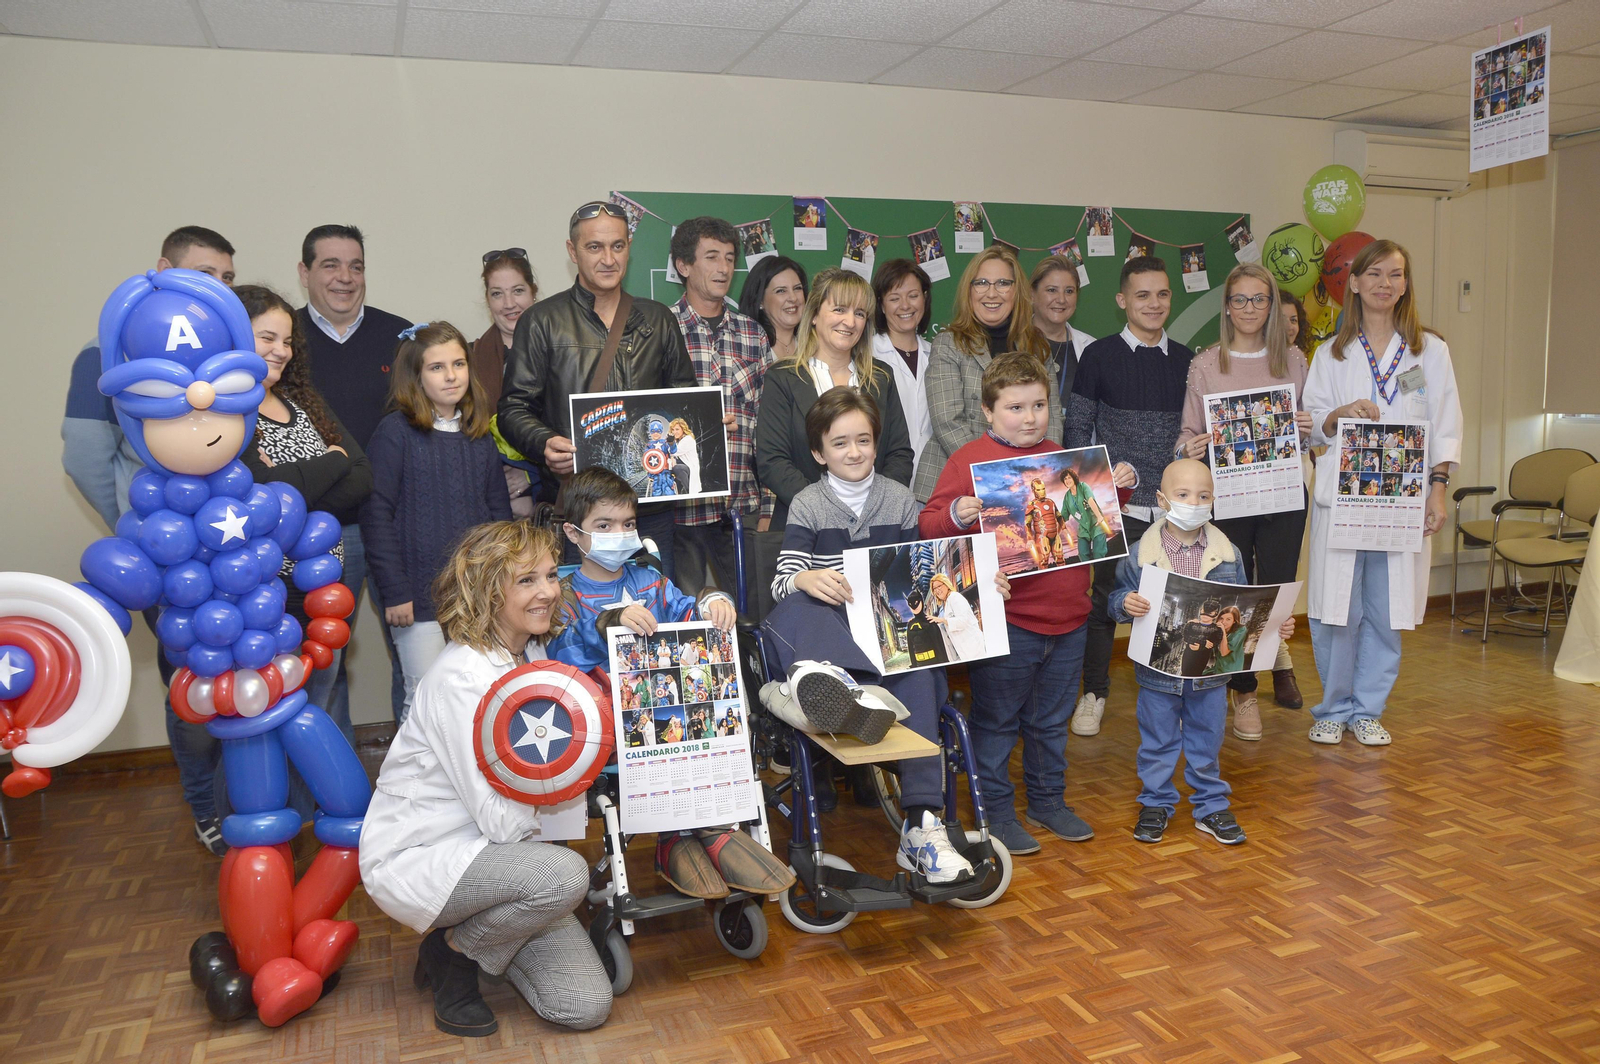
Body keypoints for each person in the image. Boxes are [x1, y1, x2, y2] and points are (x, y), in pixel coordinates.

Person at [358, 521, 612, 1037]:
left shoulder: (532, 657)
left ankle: (485, 933)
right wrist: (559, 780)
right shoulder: (463, 679)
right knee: (564, 877)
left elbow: (529, 805)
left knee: (584, 1006)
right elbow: (500, 822)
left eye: (548, 575)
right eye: (526, 581)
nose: (547, 591)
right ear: (486, 591)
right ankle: (453, 951)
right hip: (426, 856)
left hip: (509, 861)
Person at [765, 387, 1009, 884]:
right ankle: (831, 684)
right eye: (840, 444)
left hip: (882, 637)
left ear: (877, 444)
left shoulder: (899, 499)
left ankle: (921, 825)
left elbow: (922, 573)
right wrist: (805, 578)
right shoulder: (809, 504)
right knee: (793, 606)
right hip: (828, 630)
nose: (853, 452)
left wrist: (983, 584)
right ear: (818, 453)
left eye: (863, 440)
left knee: (922, 671)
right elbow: (781, 577)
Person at [60, 225, 236, 854]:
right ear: (163, 270)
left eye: (226, 278)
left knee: (238, 674)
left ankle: (243, 804)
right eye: (204, 274)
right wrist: (145, 530)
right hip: (171, 560)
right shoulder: (106, 356)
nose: (217, 290)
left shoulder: (221, 362)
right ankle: (206, 807)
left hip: (231, 549)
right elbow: (84, 458)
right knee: (190, 681)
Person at [546, 467, 793, 900]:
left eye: (628, 524)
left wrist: (712, 601)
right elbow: (558, 654)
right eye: (603, 526)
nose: (620, 534)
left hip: (671, 718)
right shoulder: (561, 595)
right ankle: (679, 838)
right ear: (573, 532)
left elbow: (686, 614)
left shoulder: (650, 582)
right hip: (606, 727)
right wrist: (608, 623)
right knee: (664, 733)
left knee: (706, 721)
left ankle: (711, 830)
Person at [921, 354, 1095, 855]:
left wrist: (1115, 492)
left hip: (1070, 618)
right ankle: (995, 812)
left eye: (1038, 405)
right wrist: (957, 511)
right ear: (987, 411)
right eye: (1015, 407)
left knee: (1050, 722)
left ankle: (1047, 801)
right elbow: (929, 525)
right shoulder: (967, 461)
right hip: (1007, 621)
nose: (1029, 417)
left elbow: (1084, 518)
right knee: (996, 724)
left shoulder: (1063, 457)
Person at [1302, 239, 1463, 747]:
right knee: (1336, 607)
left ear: (1405, 285)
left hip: (1403, 497)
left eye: (1395, 275)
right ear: (1352, 283)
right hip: (1344, 496)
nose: (1384, 284)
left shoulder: (1430, 351)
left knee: (1386, 606)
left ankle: (1368, 709)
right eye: (1373, 275)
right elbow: (1313, 427)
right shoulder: (1331, 352)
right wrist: (1339, 413)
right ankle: (1332, 708)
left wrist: (1437, 492)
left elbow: (1445, 424)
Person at [498, 201, 696, 579]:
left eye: (618, 246)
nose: (608, 258)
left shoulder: (658, 319)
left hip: (647, 511)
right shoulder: (542, 322)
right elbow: (513, 408)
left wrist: (700, 423)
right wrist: (544, 443)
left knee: (652, 617)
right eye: (595, 247)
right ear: (572, 252)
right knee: (580, 624)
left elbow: (682, 400)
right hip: (578, 512)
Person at [1109, 459, 1296, 846]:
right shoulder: (1138, 553)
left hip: (1211, 676)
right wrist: (1124, 603)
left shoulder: (1229, 554)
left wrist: (1276, 626)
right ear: (1162, 499)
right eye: (1183, 495)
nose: (1194, 502)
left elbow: (1246, 608)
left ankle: (1210, 805)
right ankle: (1156, 803)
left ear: (1214, 500)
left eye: (1203, 495)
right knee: (1157, 742)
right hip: (1157, 674)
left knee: (1207, 740)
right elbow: (1113, 599)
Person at [1173, 265, 1310, 735]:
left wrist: (1308, 429)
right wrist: (1189, 447)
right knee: (1232, 596)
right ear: (1226, 307)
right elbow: (1187, 434)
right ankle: (1244, 691)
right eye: (1239, 299)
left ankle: (1250, 680)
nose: (1249, 308)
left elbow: (1309, 436)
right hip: (1228, 498)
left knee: (1271, 598)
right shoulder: (1206, 365)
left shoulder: (1293, 360)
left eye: (1259, 299)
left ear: (1271, 306)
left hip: (1284, 496)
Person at [238, 284, 373, 747]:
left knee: (321, 701)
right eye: (266, 337)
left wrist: (297, 489)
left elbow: (362, 476)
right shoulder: (225, 415)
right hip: (267, 595)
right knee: (268, 716)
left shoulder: (302, 401)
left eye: (287, 340)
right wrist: (330, 462)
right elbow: (267, 496)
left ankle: (320, 806)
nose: (281, 350)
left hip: (323, 591)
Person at [360, 321, 513, 724]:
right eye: (437, 367)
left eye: (459, 364)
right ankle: (416, 789)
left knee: (479, 700)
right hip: (417, 598)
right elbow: (376, 514)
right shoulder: (395, 433)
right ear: (415, 375)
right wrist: (394, 591)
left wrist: (504, 583)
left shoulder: (478, 434)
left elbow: (500, 515)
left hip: (476, 596)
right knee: (424, 701)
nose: (451, 376)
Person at [1065, 256, 1191, 737]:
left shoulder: (1187, 361)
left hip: (1175, 510)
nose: (1153, 303)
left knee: (1173, 602)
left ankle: (1174, 693)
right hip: (1113, 509)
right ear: (1122, 300)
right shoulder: (1098, 355)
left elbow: (1190, 431)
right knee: (1103, 604)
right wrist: (1100, 483)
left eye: (1161, 294)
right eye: (1142, 295)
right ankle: (1093, 694)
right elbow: (1077, 429)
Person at [297, 223, 412, 724]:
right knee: (323, 667)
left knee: (415, 660)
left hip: (397, 526)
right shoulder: (285, 340)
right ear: (304, 273)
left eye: (356, 265)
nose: (345, 278)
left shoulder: (400, 336)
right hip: (320, 532)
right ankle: (332, 795)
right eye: (330, 264)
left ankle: (412, 786)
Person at [754, 267, 914, 529]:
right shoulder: (782, 377)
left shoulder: (881, 377)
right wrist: (827, 511)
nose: (850, 322)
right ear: (815, 314)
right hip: (804, 527)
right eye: (840, 309)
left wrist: (875, 508)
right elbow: (772, 461)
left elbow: (899, 454)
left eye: (859, 313)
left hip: (876, 527)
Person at [668, 217, 774, 603]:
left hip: (741, 506)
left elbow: (768, 426)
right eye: (711, 256)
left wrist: (768, 502)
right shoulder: (661, 327)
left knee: (753, 613)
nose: (724, 268)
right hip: (680, 508)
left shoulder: (752, 333)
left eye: (730, 258)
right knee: (685, 618)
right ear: (683, 265)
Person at [915, 246, 1053, 502]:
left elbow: (1051, 418)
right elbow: (948, 422)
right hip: (956, 486)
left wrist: (1043, 471)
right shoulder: (948, 343)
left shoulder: (1037, 344)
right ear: (969, 290)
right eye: (981, 283)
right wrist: (998, 475)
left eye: (1003, 283)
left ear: (1017, 290)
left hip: (1027, 488)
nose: (992, 293)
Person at [472, 249, 543, 515]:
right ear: (488, 301)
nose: (509, 303)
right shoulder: (469, 360)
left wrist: (530, 476)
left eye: (517, 291)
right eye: (497, 294)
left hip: (554, 503)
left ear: (533, 292)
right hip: (490, 507)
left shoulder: (563, 353)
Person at [871, 259, 935, 469]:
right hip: (884, 476)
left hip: (933, 480)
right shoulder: (867, 355)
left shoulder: (937, 354)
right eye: (894, 298)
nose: (905, 306)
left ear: (924, 298)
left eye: (913, 296)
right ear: (881, 304)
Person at [1030, 255, 1097, 412]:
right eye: (1052, 290)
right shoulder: (1010, 342)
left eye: (1069, 291)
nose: (1061, 299)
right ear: (1031, 295)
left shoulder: (1094, 349)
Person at [738, 255, 808, 365]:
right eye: (781, 291)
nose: (793, 298)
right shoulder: (747, 350)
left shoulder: (814, 347)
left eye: (797, 288)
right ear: (760, 301)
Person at [929, 573, 986, 661]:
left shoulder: (955, 597)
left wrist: (943, 620)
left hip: (974, 648)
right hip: (965, 650)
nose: (937, 590)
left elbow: (963, 621)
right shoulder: (946, 603)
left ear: (946, 584)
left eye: (939, 586)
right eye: (934, 588)